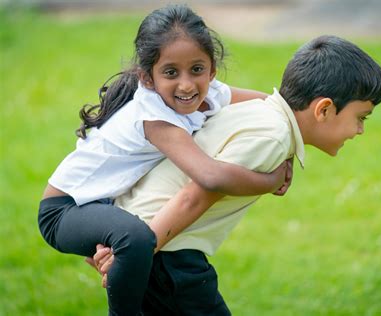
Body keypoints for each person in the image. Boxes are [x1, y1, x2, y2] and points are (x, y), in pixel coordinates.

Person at [91, 34, 381, 315]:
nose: (360, 130)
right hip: (166, 252)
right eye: (360, 118)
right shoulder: (272, 138)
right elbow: (192, 198)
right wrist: (134, 256)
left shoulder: (262, 114)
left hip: (154, 241)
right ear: (323, 109)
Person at [37, 5, 289, 316]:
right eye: (171, 73)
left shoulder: (211, 93)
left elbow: (267, 103)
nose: (186, 84)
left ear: (212, 69)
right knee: (137, 238)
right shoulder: (155, 117)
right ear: (148, 79)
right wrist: (270, 180)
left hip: (109, 208)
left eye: (197, 69)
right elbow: (209, 176)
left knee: (134, 244)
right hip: (66, 209)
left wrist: (287, 139)